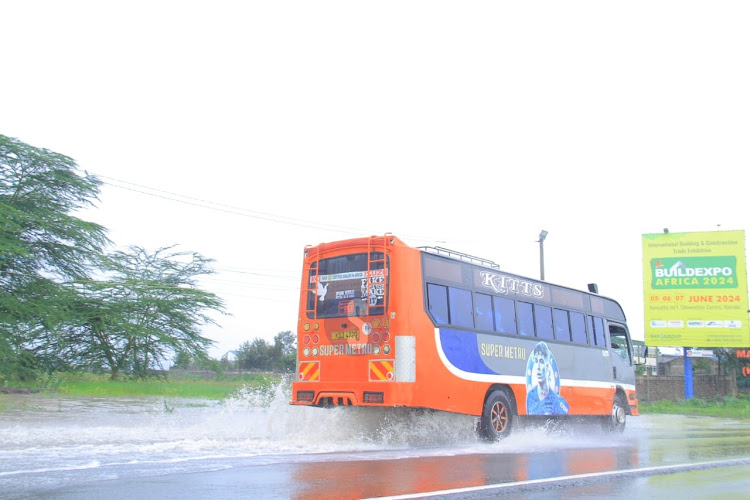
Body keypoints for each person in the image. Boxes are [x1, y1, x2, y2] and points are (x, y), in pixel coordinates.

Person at [526, 341, 570, 415]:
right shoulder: (530, 397)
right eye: (536, 361)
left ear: (547, 366)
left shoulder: (556, 400)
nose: (538, 367)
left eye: (541, 361)